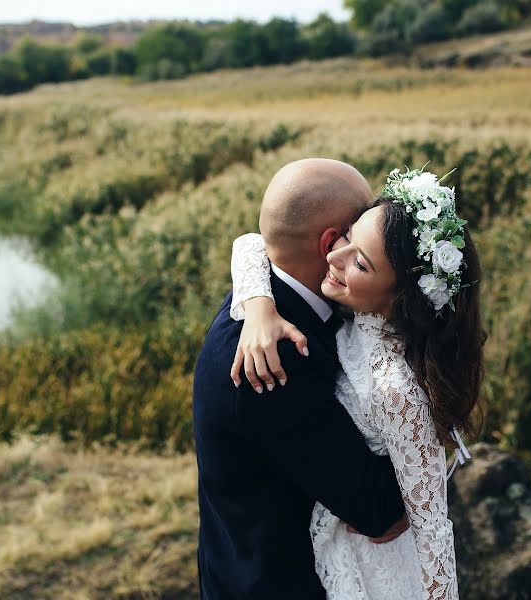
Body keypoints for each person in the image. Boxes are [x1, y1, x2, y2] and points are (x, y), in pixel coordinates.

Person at [229, 165, 486, 600]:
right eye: (348, 236)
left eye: (360, 264)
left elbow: (434, 530)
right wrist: (258, 306)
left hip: (375, 564)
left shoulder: (395, 388)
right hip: (332, 543)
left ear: (400, 296)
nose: (333, 257)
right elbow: (251, 243)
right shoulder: (354, 311)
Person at [192, 158, 408, 599]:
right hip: (273, 583)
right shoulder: (279, 358)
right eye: (361, 227)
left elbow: (251, 244)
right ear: (332, 242)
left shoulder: (264, 293)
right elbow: (377, 508)